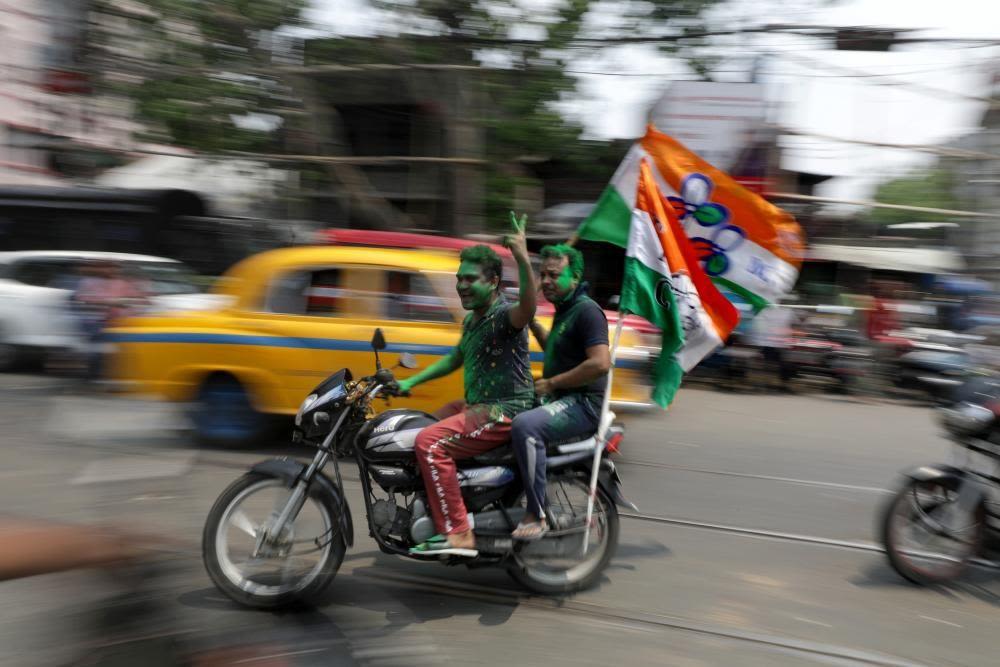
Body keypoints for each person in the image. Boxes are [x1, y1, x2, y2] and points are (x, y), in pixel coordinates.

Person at [397, 214, 537, 557]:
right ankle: (444, 502)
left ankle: (458, 533)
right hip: (477, 406)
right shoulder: (473, 319)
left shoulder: (505, 316)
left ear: (492, 282)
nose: (461, 285)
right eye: (459, 278)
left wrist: (521, 256)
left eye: (470, 279)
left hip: (503, 409)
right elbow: (453, 359)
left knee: (430, 444)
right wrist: (408, 382)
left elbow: (529, 308)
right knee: (418, 426)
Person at [509, 245, 611, 540]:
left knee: (526, 426)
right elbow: (556, 346)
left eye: (554, 275)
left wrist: (553, 384)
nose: (546, 281)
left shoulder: (587, 311)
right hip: (563, 399)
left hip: (583, 404)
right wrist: (529, 320)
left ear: (575, 277)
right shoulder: (565, 310)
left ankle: (536, 513)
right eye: (543, 275)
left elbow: (600, 363)